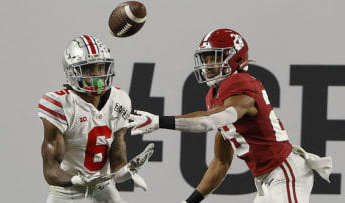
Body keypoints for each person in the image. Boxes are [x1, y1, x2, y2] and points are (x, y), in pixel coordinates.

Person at [128, 29, 333, 203]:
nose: (208, 64)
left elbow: (209, 121)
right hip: (266, 179)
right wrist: (189, 201)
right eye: (205, 58)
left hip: (285, 172)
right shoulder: (214, 95)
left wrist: (158, 121)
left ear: (234, 57)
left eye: (214, 58)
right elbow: (221, 163)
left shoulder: (240, 83)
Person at [38, 35, 154, 203]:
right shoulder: (60, 104)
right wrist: (78, 180)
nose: (97, 75)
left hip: (103, 188)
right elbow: (51, 169)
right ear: (72, 72)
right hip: (66, 193)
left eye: (100, 68)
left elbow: (117, 164)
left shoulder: (119, 100)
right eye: (88, 69)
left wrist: (129, 170)